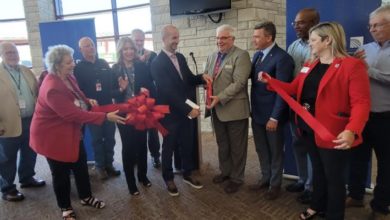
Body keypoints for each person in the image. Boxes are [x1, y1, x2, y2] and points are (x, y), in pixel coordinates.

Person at [259, 22, 370, 220]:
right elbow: (293, 89)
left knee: (334, 178)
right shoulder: (310, 64)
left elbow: (361, 103)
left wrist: (352, 130)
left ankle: (334, 215)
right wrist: (272, 82)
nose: (309, 44)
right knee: (318, 171)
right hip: (307, 129)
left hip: (333, 133)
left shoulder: (352, 66)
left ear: (328, 40)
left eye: (313, 40)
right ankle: (317, 205)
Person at [29, 44, 126, 220]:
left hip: (70, 132)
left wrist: (87, 99)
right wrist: (104, 116)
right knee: (61, 174)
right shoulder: (52, 87)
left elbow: (78, 94)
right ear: (57, 65)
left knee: (80, 166)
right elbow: (72, 114)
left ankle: (86, 197)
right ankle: (65, 207)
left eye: (72, 60)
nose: (73, 64)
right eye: (68, 62)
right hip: (52, 137)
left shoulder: (68, 77)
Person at [151, 24, 212, 196]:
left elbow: (189, 79)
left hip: (185, 111)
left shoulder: (181, 57)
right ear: (164, 39)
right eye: (173, 38)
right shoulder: (157, 63)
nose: (176, 41)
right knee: (169, 147)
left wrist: (201, 77)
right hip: (170, 113)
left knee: (187, 143)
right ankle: (168, 178)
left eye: (177, 37)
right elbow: (167, 91)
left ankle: (187, 173)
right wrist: (187, 109)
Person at [347, 5, 390, 219]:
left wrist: (368, 70)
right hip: (363, 117)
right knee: (357, 158)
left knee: (386, 164)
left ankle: (380, 206)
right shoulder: (367, 49)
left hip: (386, 118)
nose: (372, 29)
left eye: (377, 25)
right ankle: (355, 195)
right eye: (370, 25)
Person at [248, 21, 294, 200]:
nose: (254, 40)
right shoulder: (257, 56)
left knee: (275, 151)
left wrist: (274, 117)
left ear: (269, 37)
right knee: (261, 149)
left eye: (257, 37)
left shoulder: (282, 58)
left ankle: (275, 184)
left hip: (272, 116)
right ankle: (265, 178)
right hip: (257, 113)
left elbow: (282, 91)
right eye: (254, 36)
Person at [205, 24, 251, 194]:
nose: (219, 41)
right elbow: (208, 77)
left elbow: (239, 83)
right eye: (217, 38)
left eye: (223, 38)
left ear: (232, 39)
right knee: (222, 144)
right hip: (216, 110)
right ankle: (225, 172)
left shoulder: (241, 55)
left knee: (237, 147)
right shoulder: (212, 57)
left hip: (235, 110)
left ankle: (237, 178)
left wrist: (220, 97)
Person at [0, 42, 45, 202]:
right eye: (8, 52)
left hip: (31, 120)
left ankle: (27, 178)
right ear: (1, 55)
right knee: (7, 157)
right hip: (7, 124)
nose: (12, 55)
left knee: (30, 151)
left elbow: (37, 93)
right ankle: (8, 188)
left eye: (14, 52)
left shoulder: (26, 71)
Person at [112, 37, 156, 195]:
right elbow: (111, 92)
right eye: (125, 49)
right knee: (128, 148)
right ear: (120, 51)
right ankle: (131, 183)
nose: (129, 51)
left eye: (131, 48)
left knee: (142, 144)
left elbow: (151, 84)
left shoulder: (141, 66)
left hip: (140, 111)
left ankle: (143, 176)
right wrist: (121, 90)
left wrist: (147, 91)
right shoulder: (115, 69)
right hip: (123, 114)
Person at [285, 8, 320, 204]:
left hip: (312, 107)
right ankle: (302, 179)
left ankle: (311, 186)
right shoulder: (293, 46)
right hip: (294, 104)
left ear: (314, 22)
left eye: (301, 23)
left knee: (312, 147)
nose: (296, 26)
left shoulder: (322, 46)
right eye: (295, 23)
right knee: (298, 143)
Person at [74, 37, 120, 180]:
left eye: (92, 45)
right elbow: (77, 91)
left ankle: (109, 165)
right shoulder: (78, 68)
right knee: (97, 139)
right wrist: (87, 101)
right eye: (86, 46)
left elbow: (113, 87)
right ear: (81, 50)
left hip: (109, 108)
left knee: (110, 138)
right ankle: (100, 166)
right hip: (92, 111)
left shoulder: (104, 63)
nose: (90, 48)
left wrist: (120, 89)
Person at [131, 28, 161, 168]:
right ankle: (137, 156)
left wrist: (146, 62)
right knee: (138, 129)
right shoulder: (129, 58)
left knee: (152, 129)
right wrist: (140, 63)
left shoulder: (152, 55)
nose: (139, 43)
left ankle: (156, 156)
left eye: (141, 40)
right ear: (132, 40)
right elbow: (132, 81)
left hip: (151, 97)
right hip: (135, 99)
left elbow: (155, 76)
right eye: (136, 40)